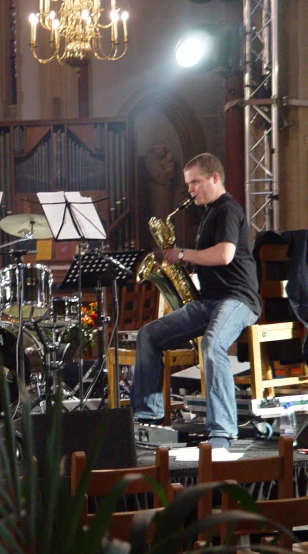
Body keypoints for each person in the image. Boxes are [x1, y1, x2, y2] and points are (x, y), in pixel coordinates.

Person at [131, 153, 261, 449]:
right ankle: (147, 418)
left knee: (212, 344)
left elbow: (225, 255)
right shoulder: (209, 214)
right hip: (211, 301)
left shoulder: (227, 209)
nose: (189, 190)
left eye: (195, 182)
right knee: (148, 335)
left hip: (238, 299)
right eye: (188, 184)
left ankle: (223, 431)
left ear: (215, 178)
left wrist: (183, 255)